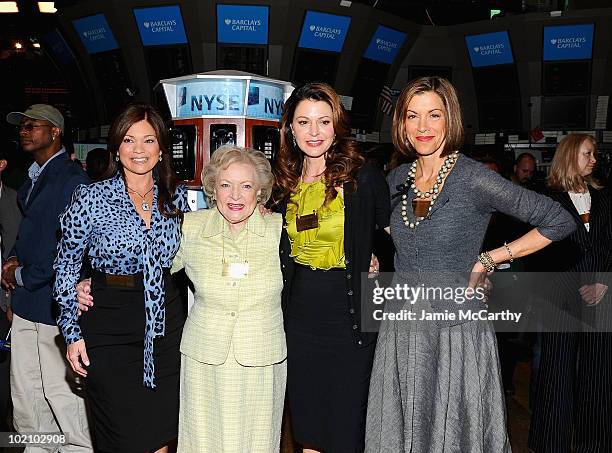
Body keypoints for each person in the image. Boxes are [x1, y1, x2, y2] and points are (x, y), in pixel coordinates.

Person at [365, 77, 575, 452]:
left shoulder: (475, 178)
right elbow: (397, 233)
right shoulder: (398, 177)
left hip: (455, 333)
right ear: (401, 123)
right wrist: (375, 254)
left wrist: (491, 258)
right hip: (401, 328)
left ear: (451, 119)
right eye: (412, 116)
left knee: (453, 434)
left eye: (434, 114)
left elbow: (559, 220)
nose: (422, 127)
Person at [54, 103, 189, 453]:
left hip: (165, 324)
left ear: (161, 150)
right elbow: (66, 268)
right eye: (129, 140)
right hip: (108, 324)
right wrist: (71, 333)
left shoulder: (175, 199)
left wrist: (261, 206)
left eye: (148, 140)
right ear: (116, 147)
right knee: (121, 435)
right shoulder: (91, 197)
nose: (139, 150)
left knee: (160, 432)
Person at [275, 82, 390, 453]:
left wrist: (376, 262)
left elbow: (398, 239)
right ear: (290, 128)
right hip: (298, 318)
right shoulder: (282, 184)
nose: (313, 132)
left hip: (351, 317)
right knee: (307, 424)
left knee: (345, 426)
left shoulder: (363, 177)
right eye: (304, 122)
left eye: (323, 122)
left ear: (337, 126)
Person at [173, 145, 286, 452]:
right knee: (203, 442)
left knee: (257, 442)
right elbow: (149, 268)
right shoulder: (191, 227)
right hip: (203, 356)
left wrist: (367, 259)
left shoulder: (280, 229)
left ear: (260, 192)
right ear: (213, 189)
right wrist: (94, 280)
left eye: (246, 186)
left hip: (261, 358)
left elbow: (324, 263)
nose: (235, 195)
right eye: (226, 185)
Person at [1, 104, 93, 451]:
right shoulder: (35, 175)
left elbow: (69, 250)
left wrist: (22, 274)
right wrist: (11, 259)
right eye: (21, 126)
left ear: (55, 131)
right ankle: (38, 446)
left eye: (31, 126)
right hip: (28, 302)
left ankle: (78, 448)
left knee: (60, 390)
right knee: (26, 390)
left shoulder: (71, 180)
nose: (24, 131)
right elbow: (27, 232)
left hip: (54, 303)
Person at [529, 133, 612, 453]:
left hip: (602, 294)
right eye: (588, 154)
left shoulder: (604, 197)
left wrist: (602, 280)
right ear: (569, 155)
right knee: (556, 370)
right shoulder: (545, 197)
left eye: (595, 154)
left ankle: (597, 442)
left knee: (600, 371)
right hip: (561, 294)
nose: (594, 160)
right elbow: (538, 249)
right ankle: (551, 441)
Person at [0, 148, 21, 432]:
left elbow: (19, 254)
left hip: (3, 299)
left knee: (4, 367)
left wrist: (11, 300)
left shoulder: (15, 201)